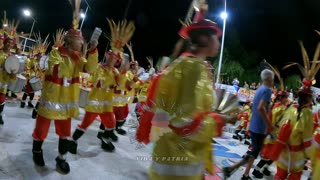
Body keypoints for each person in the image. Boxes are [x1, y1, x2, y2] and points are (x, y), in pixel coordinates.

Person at [146, 5, 237, 179]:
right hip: (179, 161)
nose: (218, 43)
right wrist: (221, 119)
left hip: (181, 156)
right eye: (215, 38)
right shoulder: (192, 69)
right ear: (203, 38)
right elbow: (184, 124)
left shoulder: (191, 65)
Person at [31, 3, 99, 173]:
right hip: (50, 102)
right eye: (79, 40)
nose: (82, 42)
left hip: (66, 105)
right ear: (70, 41)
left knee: (64, 133)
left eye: (82, 41)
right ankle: (36, 150)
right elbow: (56, 71)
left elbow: (90, 69)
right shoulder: (56, 53)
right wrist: (73, 58)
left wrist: (93, 51)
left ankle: (61, 158)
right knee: (41, 130)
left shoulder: (79, 59)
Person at [223, 69, 274, 180]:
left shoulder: (260, 89)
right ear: (269, 79)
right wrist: (269, 124)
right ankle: (231, 169)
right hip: (260, 127)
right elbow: (261, 108)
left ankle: (244, 174)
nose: (273, 81)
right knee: (253, 152)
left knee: (253, 152)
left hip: (255, 125)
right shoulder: (267, 91)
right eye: (273, 79)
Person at [70, 51, 119, 153]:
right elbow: (94, 80)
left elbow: (120, 84)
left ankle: (104, 141)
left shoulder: (115, 72)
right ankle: (72, 141)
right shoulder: (98, 68)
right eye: (110, 57)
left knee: (111, 124)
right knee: (85, 124)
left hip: (106, 106)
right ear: (106, 56)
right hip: (94, 104)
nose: (112, 59)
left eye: (114, 58)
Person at [0, 37, 17, 125]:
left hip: (3, 83)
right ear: (4, 42)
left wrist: (13, 73)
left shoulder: (12, 58)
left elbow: (13, 74)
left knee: (1, 101)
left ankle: (0, 115)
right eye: (8, 42)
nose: (9, 45)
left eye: (11, 43)